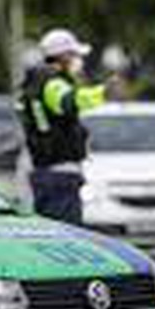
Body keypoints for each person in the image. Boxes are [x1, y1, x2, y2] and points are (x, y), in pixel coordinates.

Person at [17, 28, 108, 224]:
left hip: (46, 172)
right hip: (59, 176)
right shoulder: (53, 82)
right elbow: (69, 101)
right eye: (75, 55)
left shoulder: (37, 80)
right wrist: (104, 93)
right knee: (67, 234)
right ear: (63, 56)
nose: (78, 60)